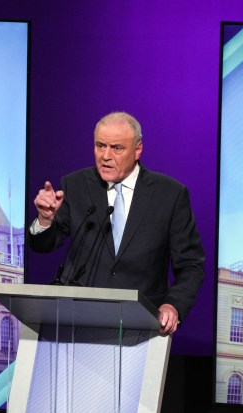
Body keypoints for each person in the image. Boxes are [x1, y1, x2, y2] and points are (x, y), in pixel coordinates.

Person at [28, 111, 205, 335]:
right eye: (100, 146)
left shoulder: (170, 194)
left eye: (117, 148)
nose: (106, 156)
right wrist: (45, 220)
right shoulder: (76, 185)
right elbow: (44, 245)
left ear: (138, 150)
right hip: (77, 322)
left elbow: (191, 264)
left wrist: (173, 305)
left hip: (142, 327)